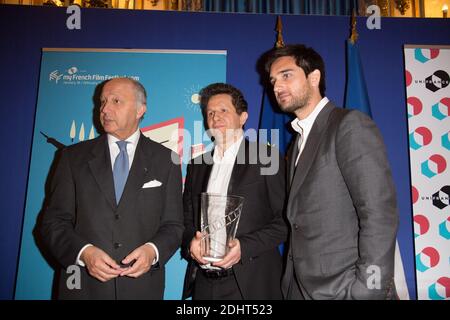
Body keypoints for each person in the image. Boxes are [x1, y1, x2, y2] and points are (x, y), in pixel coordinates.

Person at [265, 44, 399, 300]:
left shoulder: (348, 125)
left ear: (314, 78)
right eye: (273, 80)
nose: (277, 86)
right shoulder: (297, 143)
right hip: (300, 289)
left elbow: (379, 213)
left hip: (345, 289)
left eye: (286, 75)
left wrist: (368, 289)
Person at [40, 77, 184, 299]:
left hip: (142, 289)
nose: (105, 109)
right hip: (81, 287)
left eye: (116, 101)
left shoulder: (167, 160)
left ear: (140, 110)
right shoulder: (71, 158)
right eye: (102, 101)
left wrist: (152, 251)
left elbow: (174, 225)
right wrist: (84, 253)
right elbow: (53, 222)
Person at [181, 83, 287, 300]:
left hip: (251, 284)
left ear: (243, 117)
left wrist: (244, 247)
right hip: (204, 284)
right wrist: (191, 242)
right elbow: (185, 220)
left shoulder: (267, 158)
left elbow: (286, 221)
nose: (215, 117)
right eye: (210, 113)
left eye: (223, 111)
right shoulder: (197, 165)